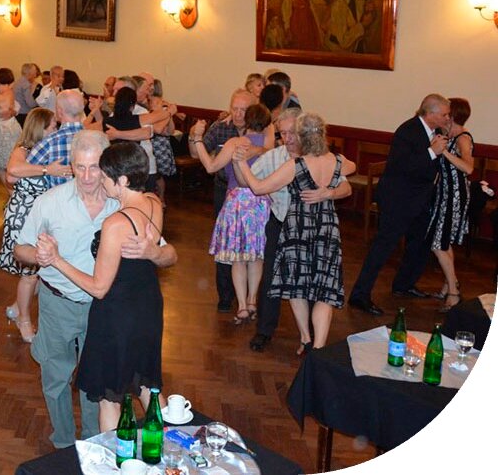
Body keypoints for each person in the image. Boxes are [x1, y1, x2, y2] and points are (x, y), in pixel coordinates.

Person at [14, 130, 176, 448]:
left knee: (99, 386)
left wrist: (153, 252)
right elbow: (19, 248)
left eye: (94, 168)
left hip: (104, 312)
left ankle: (94, 444)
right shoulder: (50, 202)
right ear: (70, 166)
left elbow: (168, 253)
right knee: (57, 377)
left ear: (110, 171)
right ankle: (63, 443)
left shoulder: (120, 206)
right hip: (59, 303)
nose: (87, 176)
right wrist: (39, 256)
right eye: (80, 167)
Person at [235, 108, 352, 352]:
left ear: (301, 135)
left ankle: (308, 340)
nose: (286, 138)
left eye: (291, 133)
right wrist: (328, 188)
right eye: (283, 133)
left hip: (298, 229)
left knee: (296, 286)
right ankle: (316, 347)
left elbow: (257, 187)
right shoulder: (336, 161)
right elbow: (350, 166)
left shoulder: (296, 165)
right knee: (323, 292)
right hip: (326, 229)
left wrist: (240, 162)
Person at [349, 94, 451, 316]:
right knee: (383, 247)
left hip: (420, 199)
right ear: (430, 113)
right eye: (444, 114)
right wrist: (432, 152)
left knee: (421, 243)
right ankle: (359, 295)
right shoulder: (408, 131)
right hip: (398, 199)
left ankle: (404, 284)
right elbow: (402, 167)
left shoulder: (437, 133)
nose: (447, 118)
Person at [190, 104, 272, 324]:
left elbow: (210, 166)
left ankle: (243, 307)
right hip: (262, 203)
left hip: (237, 202)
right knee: (256, 257)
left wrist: (198, 139)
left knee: (237, 258)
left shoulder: (236, 143)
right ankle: (253, 301)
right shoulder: (269, 145)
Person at [0, 107, 71, 343]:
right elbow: (12, 173)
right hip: (24, 216)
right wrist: (49, 169)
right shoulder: (24, 149)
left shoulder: (49, 150)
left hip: (42, 215)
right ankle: (24, 320)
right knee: (30, 273)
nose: (56, 130)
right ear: (41, 128)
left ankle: (18, 307)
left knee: (40, 270)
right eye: (53, 127)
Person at [426, 97, 475, 311]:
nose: (444, 116)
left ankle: (454, 292)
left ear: (453, 116)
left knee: (438, 244)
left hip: (455, 195)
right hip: (444, 193)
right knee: (444, 241)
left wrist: (444, 151)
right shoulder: (447, 135)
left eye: (447, 114)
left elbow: (469, 168)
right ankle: (449, 284)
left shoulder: (463, 137)